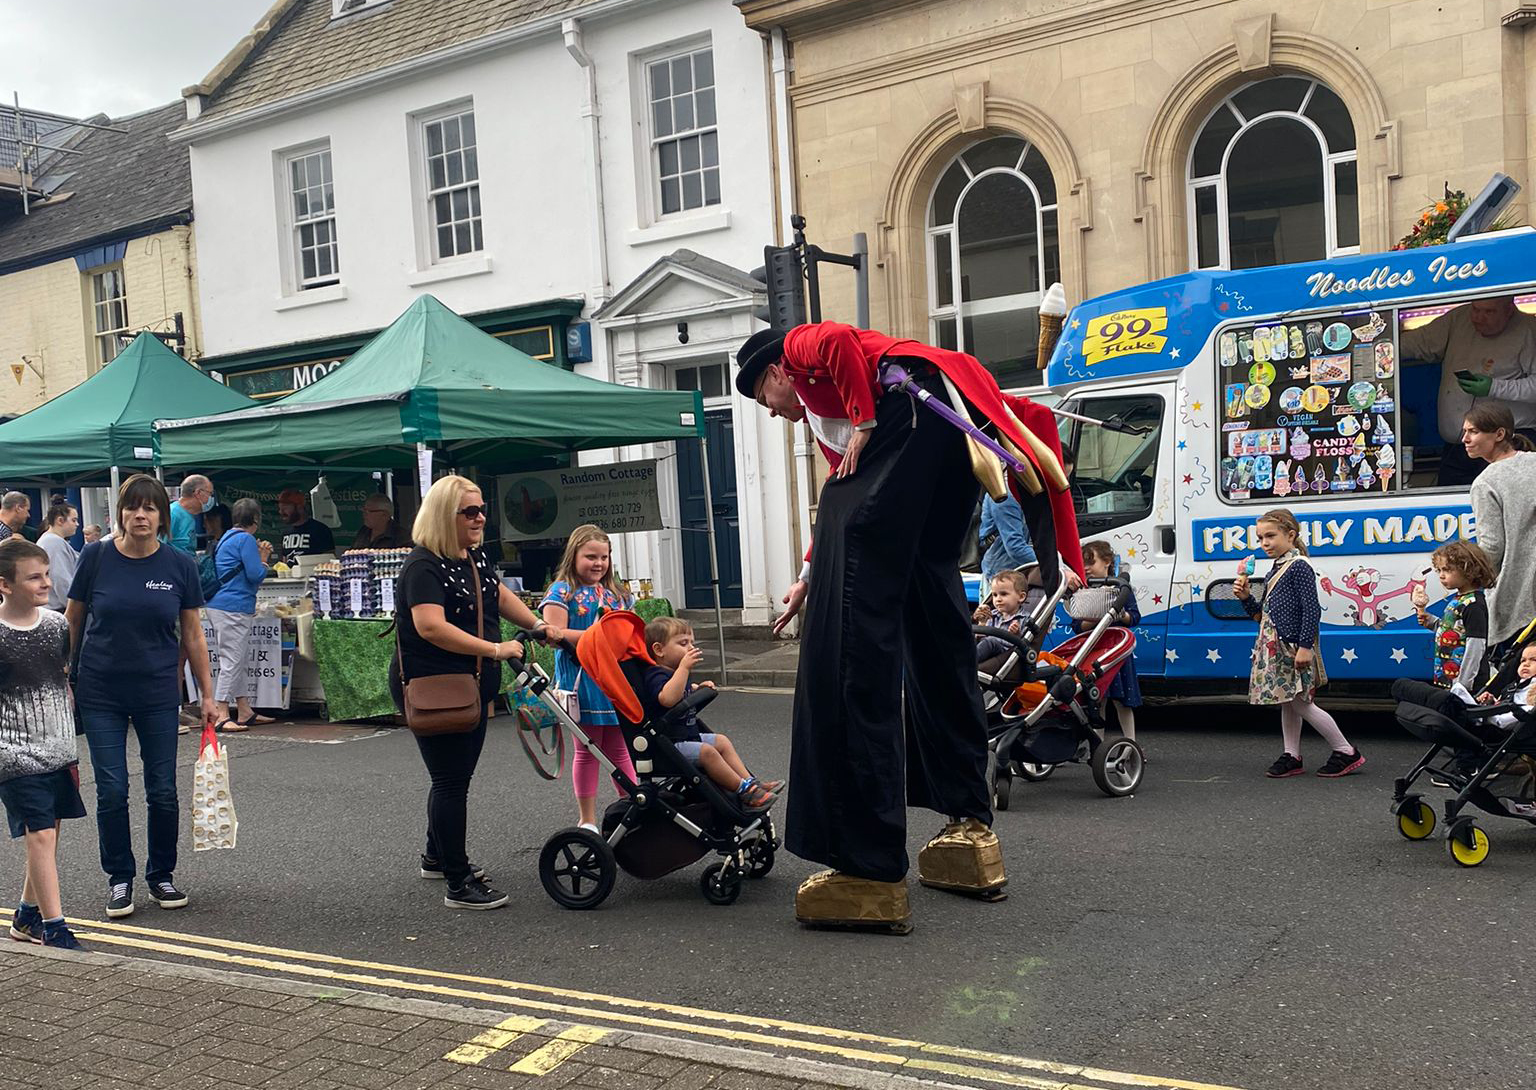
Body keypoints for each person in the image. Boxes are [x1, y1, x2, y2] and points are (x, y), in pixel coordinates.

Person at [735, 321, 1081, 931]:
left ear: (775, 373)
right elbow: (851, 492)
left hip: (906, 411)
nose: (771, 413)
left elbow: (836, 338)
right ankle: (967, 836)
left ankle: (866, 870)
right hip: (948, 425)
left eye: (763, 399)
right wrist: (812, 572)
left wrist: (867, 423)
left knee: (849, 648)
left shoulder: (807, 362)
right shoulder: (830, 419)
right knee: (936, 621)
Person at [390, 475, 554, 910]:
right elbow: (431, 626)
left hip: (470, 682)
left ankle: (436, 856)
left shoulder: (471, 556)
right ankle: (458, 882)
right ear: (446, 516)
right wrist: (496, 649)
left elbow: (496, 595)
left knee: (451, 776)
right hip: (437, 685)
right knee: (451, 782)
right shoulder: (422, 566)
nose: (481, 517)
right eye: (470, 512)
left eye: (483, 509)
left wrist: (536, 625)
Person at [66, 474, 215, 918]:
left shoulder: (178, 565)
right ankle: (119, 879)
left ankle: (161, 876)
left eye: (150, 508)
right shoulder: (95, 557)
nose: (141, 515)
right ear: (120, 514)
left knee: (163, 789)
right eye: (133, 507)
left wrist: (209, 695)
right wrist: (65, 676)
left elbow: (192, 635)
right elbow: (72, 620)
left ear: (162, 517)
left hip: (156, 692)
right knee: (111, 790)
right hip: (100, 689)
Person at [1233, 508, 1364, 779]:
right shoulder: (1275, 569)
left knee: (1301, 702)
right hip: (1275, 644)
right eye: (1260, 538)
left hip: (1291, 646)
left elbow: (1311, 609)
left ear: (1290, 535)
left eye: (1270, 536)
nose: (1264, 543)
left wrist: (1305, 646)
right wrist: (1246, 598)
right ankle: (1291, 754)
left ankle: (1345, 750)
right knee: (1288, 701)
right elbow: (1262, 616)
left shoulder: (1299, 566)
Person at [0, 539, 87, 949]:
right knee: (40, 835)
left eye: (46, 574)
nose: (45, 583)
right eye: (33, 577)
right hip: (13, 752)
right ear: (5, 584)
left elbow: (63, 676)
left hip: (58, 747)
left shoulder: (56, 625)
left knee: (49, 831)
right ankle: (56, 929)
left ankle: (26, 917)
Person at [540, 524, 640, 833]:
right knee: (587, 749)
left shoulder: (618, 594)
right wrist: (598, 638)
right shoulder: (561, 591)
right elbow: (552, 634)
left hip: (614, 681)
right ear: (574, 556)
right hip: (580, 681)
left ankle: (633, 810)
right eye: (590, 557)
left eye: (604, 557)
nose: (598, 564)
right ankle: (587, 819)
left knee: (620, 749)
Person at [640, 617, 781, 808]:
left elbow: (684, 692)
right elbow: (668, 698)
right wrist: (683, 668)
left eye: (692, 643)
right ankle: (742, 790)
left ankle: (752, 783)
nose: (691, 647)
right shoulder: (656, 674)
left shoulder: (676, 674)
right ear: (659, 650)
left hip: (687, 737)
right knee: (707, 752)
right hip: (670, 744)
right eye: (683, 643)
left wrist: (698, 689)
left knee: (721, 741)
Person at [1400, 296, 1536, 486]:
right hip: (1459, 445)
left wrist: (1494, 387)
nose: (1478, 318)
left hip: (1508, 442)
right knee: (1448, 508)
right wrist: (1379, 343)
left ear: (1509, 309)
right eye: (1475, 309)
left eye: (1489, 312)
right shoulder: (1459, 319)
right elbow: (1417, 343)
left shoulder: (1529, 329)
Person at [1464, 404, 1536, 655]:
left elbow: (1492, 547)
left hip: (1519, 600)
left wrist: (1469, 580)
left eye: (1473, 432)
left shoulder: (1486, 482)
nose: (1465, 439)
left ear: (1499, 434)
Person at [206, 498, 275, 734]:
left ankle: (244, 708)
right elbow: (255, 574)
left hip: (220, 604)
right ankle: (222, 713)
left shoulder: (227, 537)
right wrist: (264, 558)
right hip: (233, 606)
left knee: (238, 659)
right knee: (233, 660)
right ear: (256, 519)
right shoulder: (245, 539)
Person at [1074, 540, 1141, 745]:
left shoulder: (1120, 588)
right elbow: (1077, 625)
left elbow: (1135, 616)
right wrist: (1095, 618)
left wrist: (1120, 615)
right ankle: (1098, 746)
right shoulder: (1083, 590)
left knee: (1123, 702)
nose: (1086, 568)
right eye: (1082, 563)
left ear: (1107, 562)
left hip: (1117, 650)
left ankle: (1131, 743)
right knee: (1097, 700)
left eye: (1090, 562)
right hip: (1094, 650)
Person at [1412, 541, 1495, 691]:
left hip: (1467, 685)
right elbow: (1454, 631)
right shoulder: (1458, 599)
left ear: (1468, 570)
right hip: (1449, 679)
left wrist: (1463, 685)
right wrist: (1430, 621)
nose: (1442, 576)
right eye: (1439, 570)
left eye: (1447, 570)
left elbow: (1475, 647)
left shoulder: (1474, 605)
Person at [972, 569, 1030, 662]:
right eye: (994, 595)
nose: (998, 599)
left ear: (1021, 597)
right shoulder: (993, 615)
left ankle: (966, 663)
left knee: (990, 642)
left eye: (1003, 594)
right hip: (988, 653)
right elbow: (982, 640)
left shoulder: (1025, 619)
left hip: (1006, 654)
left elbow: (1026, 646)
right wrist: (982, 624)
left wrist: (1017, 635)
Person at [978, 492, 1036, 584]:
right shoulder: (1005, 496)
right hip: (1005, 578)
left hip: (1021, 574)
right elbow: (1015, 547)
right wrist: (1054, 567)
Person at [37, 504, 79, 612]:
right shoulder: (54, 543)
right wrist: (73, 609)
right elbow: (61, 580)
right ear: (60, 520)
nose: (77, 524)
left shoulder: (51, 540)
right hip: (60, 609)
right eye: (74, 520)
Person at [276, 488, 335, 562]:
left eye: (285, 508)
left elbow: (329, 560)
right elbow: (284, 560)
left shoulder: (320, 530)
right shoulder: (285, 533)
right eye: (280, 508)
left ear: (299, 507)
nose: (281, 512)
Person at [168, 475, 214, 555]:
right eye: (210, 493)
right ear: (198, 493)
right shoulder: (172, 514)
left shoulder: (190, 515)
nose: (211, 498)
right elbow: (158, 547)